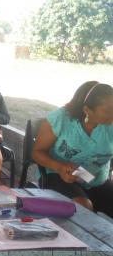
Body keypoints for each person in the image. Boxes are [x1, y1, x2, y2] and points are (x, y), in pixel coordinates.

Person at [32, 81, 113, 217]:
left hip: (97, 180)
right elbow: (37, 152)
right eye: (107, 110)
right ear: (87, 110)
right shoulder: (61, 119)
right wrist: (59, 167)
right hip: (58, 175)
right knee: (83, 208)